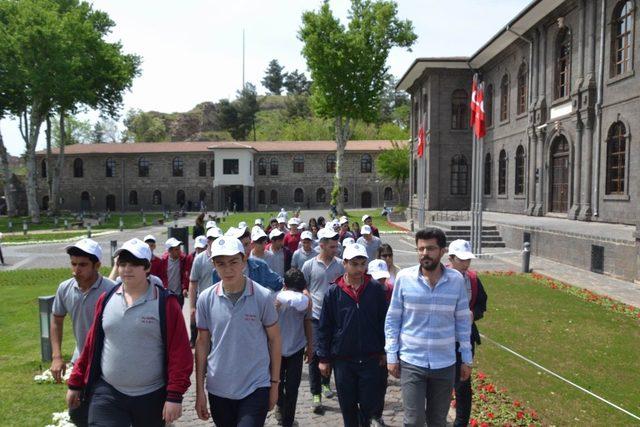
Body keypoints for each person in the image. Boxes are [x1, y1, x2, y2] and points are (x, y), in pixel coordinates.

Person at [67, 238, 193, 426]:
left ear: (147, 267)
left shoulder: (166, 304)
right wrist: (76, 382)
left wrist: (174, 396)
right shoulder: (107, 299)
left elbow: (180, 353)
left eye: (134, 264)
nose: (127, 269)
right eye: (122, 264)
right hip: (108, 393)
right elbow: (91, 345)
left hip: (151, 396)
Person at [385, 228, 473, 427]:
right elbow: (393, 319)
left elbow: (462, 322)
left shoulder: (456, 280)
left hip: (444, 363)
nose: (425, 253)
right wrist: (392, 354)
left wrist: (466, 359)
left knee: (437, 421)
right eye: (421, 249)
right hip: (411, 361)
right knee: (414, 421)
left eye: (431, 248)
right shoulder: (404, 278)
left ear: (442, 251)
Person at [194, 237, 282, 427]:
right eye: (221, 264)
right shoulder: (205, 299)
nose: (228, 269)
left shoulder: (262, 296)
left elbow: (275, 340)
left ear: (244, 261)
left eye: (234, 262)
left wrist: (274, 383)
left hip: (255, 385)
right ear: (213, 265)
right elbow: (202, 344)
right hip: (219, 387)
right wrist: (199, 390)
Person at [317, 243, 388, 427]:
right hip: (343, 360)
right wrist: (324, 357)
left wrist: (385, 350)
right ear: (345, 264)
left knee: (367, 408)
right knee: (348, 409)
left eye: (362, 264)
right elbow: (325, 327)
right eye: (354, 264)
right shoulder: (333, 292)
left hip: (370, 359)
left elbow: (384, 322)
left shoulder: (376, 290)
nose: (359, 269)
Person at [51, 239, 116, 427]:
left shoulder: (112, 290)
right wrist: (56, 356)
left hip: (107, 364)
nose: (76, 270)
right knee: (77, 413)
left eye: (83, 265)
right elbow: (56, 319)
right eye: (73, 264)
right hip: (80, 361)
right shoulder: (65, 288)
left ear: (97, 265)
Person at [300, 227, 345, 413]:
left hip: (336, 317)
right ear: (322, 245)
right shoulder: (309, 266)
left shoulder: (341, 265)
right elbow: (303, 287)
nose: (336, 249)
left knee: (331, 353)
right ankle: (315, 393)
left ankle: (326, 383)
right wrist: (307, 297)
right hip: (316, 317)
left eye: (336, 246)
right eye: (332, 246)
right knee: (315, 355)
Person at [447, 239, 488, 427]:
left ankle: (461, 422)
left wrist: (474, 314)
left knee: (463, 382)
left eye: (468, 260)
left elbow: (481, 303)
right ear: (451, 258)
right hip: (443, 339)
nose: (466, 264)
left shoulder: (472, 278)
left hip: (465, 338)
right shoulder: (440, 276)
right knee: (441, 381)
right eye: (461, 260)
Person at [274, 269, 313, 427]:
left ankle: (288, 422)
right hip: (277, 350)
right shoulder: (275, 298)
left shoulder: (305, 301)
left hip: (296, 349)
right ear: (285, 286)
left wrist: (310, 346)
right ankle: (280, 405)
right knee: (276, 385)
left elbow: (308, 322)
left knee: (292, 388)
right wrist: (275, 306)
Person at [212, 227, 284, 292]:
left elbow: (279, 284)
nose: (247, 248)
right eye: (242, 245)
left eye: (247, 244)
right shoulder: (217, 272)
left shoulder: (260, 266)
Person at [367, 258, 393, 426]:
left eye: (383, 279)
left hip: (385, 344)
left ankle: (377, 414)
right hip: (366, 344)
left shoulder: (391, 290)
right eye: (378, 279)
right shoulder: (363, 291)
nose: (382, 282)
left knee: (381, 383)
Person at [188, 227, 222, 348]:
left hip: (221, 302)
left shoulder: (224, 257)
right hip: (205, 303)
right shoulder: (199, 259)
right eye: (212, 239)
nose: (215, 241)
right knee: (203, 336)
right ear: (208, 241)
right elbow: (193, 283)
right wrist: (192, 306)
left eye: (217, 239)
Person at [157, 237, 189, 307]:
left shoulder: (183, 259)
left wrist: (184, 288)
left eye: (179, 248)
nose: (179, 251)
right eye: (176, 249)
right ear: (169, 251)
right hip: (167, 293)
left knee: (179, 314)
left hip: (179, 294)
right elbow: (161, 277)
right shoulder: (163, 261)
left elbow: (185, 275)